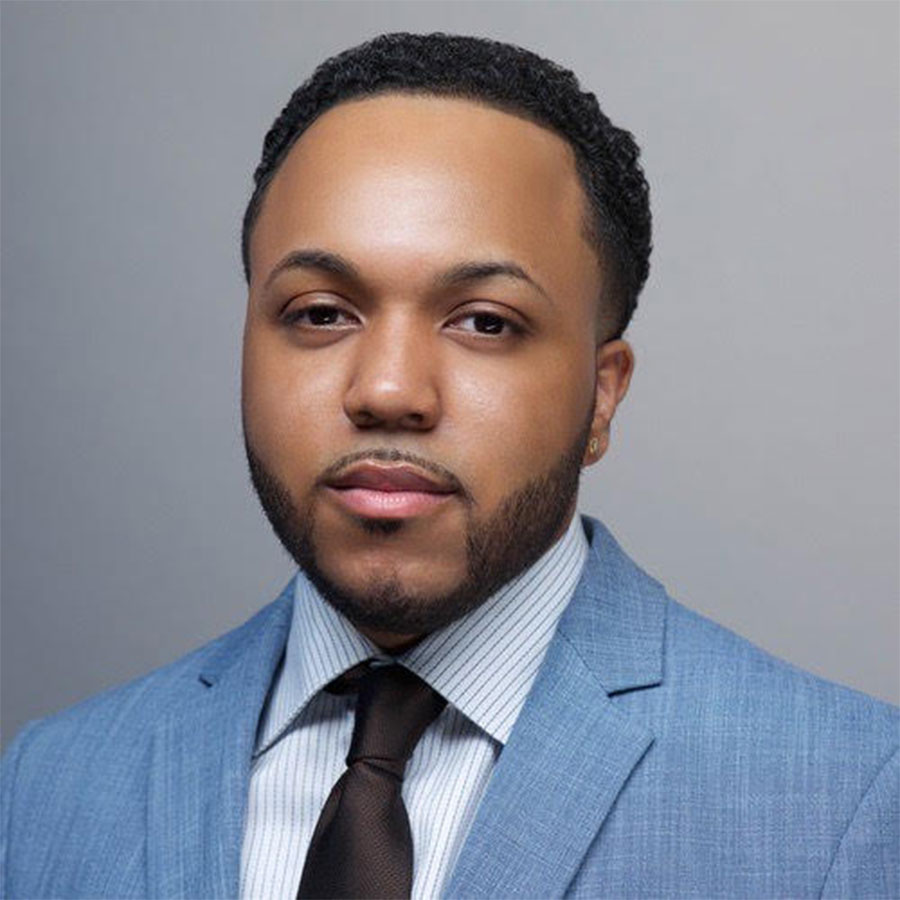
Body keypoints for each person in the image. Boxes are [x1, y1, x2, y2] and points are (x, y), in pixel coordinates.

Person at [1, 31, 896, 900]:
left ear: (603, 395)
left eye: (485, 322)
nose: (388, 390)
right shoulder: (47, 787)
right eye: (319, 313)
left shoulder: (852, 796)